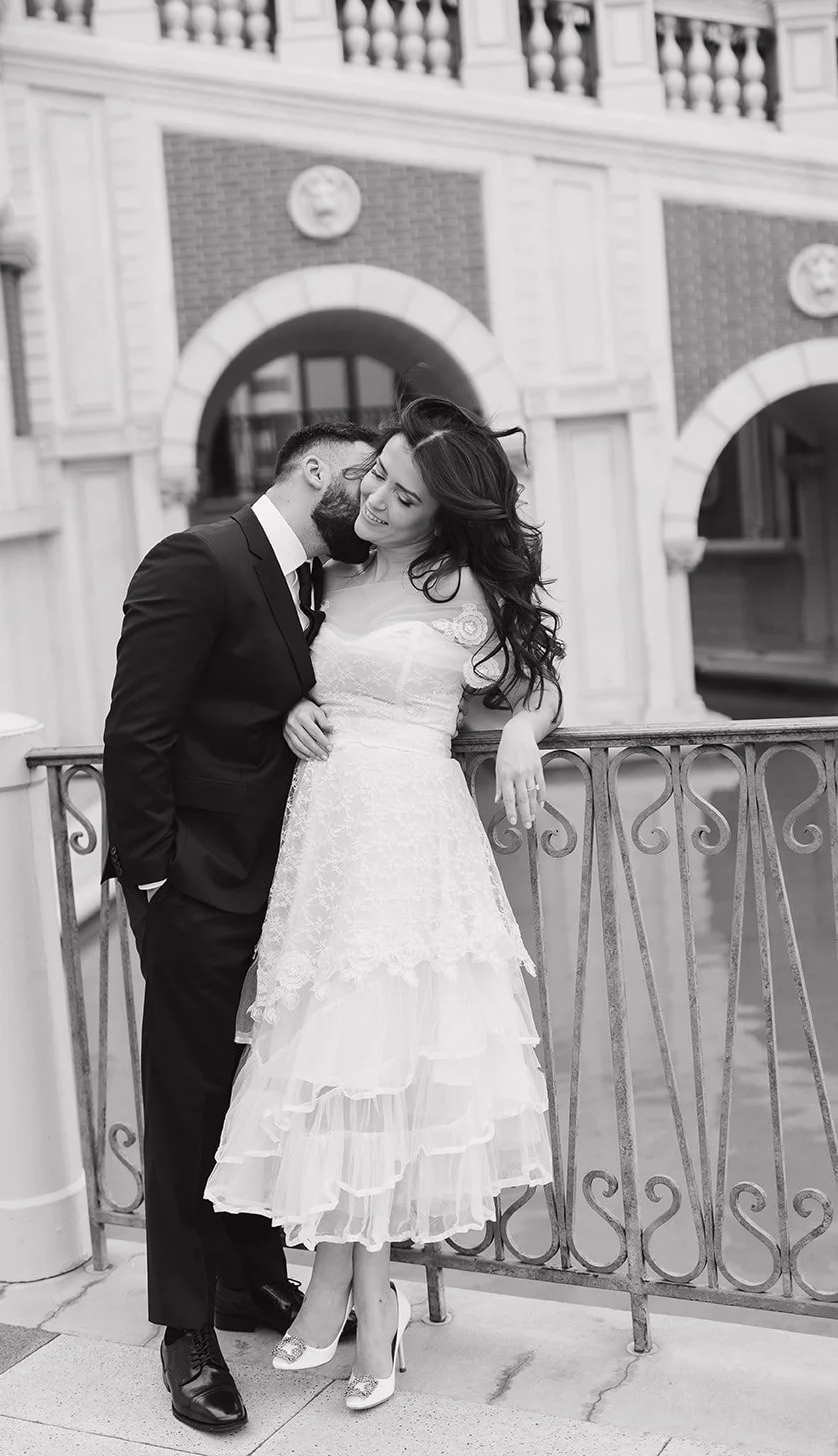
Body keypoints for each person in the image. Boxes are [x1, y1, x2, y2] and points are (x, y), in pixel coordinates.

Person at [205, 369, 565, 1413]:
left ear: (445, 511)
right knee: (333, 1060)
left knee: (380, 1058)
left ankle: (351, 1285)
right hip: (325, 835)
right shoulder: (333, 579)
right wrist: (286, 717)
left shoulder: (466, 593)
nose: (378, 501)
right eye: (380, 480)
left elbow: (534, 679)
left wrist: (528, 738)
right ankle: (363, 1288)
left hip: (410, 833)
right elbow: (290, 680)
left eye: (404, 496)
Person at [102, 420, 380, 1435]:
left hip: (281, 889)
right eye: (365, 474)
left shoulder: (313, 578)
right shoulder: (199, 558)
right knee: (187, 1103)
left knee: (260, 1091)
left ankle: (250, 1279)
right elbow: (136, 730)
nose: (376, 492)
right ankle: (185, 1331)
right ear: (315, 471)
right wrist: (155, 884)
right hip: (198, 887)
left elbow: (245, 700)